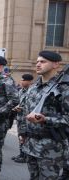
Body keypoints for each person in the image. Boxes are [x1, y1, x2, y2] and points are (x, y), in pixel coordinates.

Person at [20, 51, 69, 179]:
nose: (37, 64)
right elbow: (26, 111)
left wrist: (45, 120)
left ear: (55, 64)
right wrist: (23, 132)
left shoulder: (64, 88)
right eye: (37, 61)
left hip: (51, 147)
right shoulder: (33, 87)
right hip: (31, 145)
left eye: (43, 62)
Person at [11, 74, 34, 163]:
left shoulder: (32, 91)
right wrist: (16, 107)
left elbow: (32, 107)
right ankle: (21, 154)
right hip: (20, 118)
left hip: (27, 119)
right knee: (20, 136)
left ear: (29, 81)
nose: (21, 82)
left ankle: (25, 156)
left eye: (23, 80)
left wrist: (22, 108)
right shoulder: (21, 91)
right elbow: (19, 102)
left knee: (25, 137)